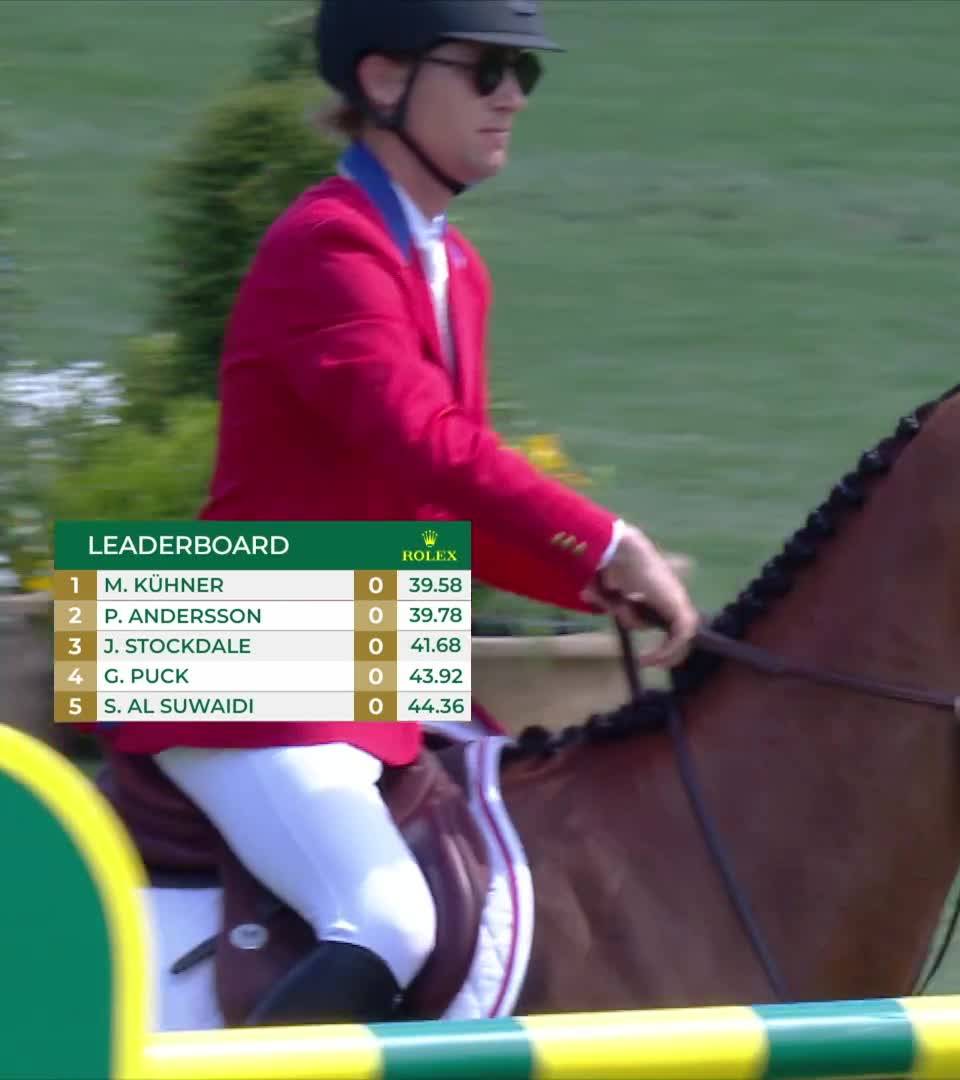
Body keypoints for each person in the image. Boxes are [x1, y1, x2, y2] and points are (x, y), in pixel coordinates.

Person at [95, 0, 700, 1025]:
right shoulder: (327, 247)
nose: (512, 95)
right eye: (488, 69)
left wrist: (589, 586)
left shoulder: (453, 267)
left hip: (358, 645)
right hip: (239, 652)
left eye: (524, 74)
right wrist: (607, 538)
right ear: (384, 81)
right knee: (387, 919)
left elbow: (430, 503)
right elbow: (426, 439)